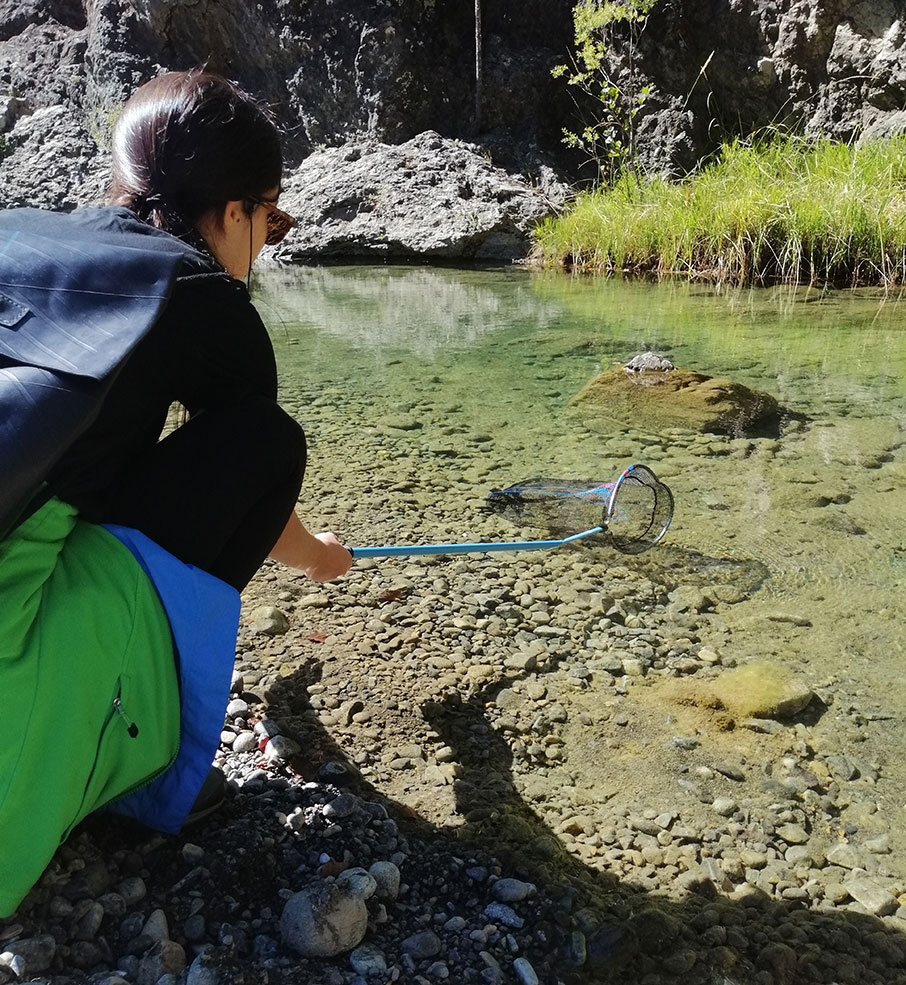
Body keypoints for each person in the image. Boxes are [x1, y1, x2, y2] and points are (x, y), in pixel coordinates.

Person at [0, 70, 351, 917]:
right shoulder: (201, 297)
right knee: (270, 442)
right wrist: (320, 557)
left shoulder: (17, 232)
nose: (267, 239)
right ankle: (145, 754)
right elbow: (252, 472)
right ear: (232, 211)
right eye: (273, 216)